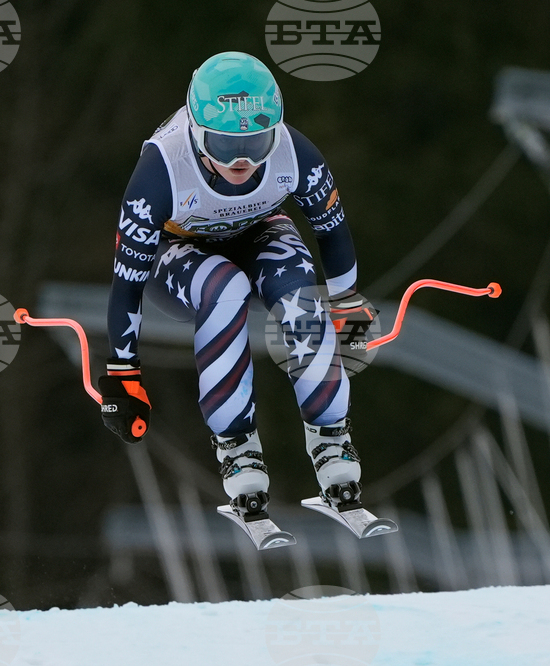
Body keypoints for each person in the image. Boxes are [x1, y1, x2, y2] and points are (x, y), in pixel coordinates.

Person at [97, 51, 370, 519]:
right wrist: (124, 375)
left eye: (257, 143)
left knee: (297, 285)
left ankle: (332, 437)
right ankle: (236, 445)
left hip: (260, 230)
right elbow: (127, 282)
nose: (241, 161)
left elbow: (332, 231)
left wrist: (344, 303)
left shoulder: (294, 151)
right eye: (224, 147)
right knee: (223, 287)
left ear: (276, 130)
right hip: (177, 249)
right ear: (197, 136)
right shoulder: (161, 170)